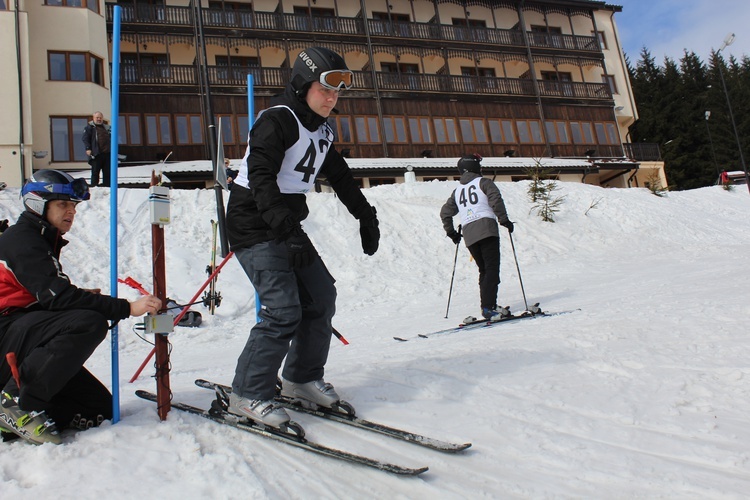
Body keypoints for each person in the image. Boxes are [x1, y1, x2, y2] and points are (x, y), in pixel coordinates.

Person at [225, 47, 380, 429]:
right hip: (254, 221)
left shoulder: (322, 129)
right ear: (302, 84)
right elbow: (261, 178)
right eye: (326, 88)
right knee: (282, 310)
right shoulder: (278, 120)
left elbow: (339, 175)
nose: (333, 98)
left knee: (321, 297)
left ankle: (300, 377)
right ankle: (247, 392)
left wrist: (366, 215)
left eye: (339, 91)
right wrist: (285, 230)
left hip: (285, 225)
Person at [0, 169, 161, 445]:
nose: (71, 212)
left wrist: (76, 297)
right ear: (38, 203)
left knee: (97, 409)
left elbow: (43, 294)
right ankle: (15, 403)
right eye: (63, 204)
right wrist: (126, 308)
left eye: (73, 206)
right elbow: (58, 298)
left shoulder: (38, 239)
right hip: (7, 335)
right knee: (87, 322)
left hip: (20, 332)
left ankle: (12, 423)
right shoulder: (22, 240)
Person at [440, 154, 514, 320]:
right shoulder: (484, 183)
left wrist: (451, 233)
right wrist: (504, 220)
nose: (481, 169)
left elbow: (445, 213)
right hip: (486, 229)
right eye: (479, 166)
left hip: (469, 234)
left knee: (484, 270)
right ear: (474, 168)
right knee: (492, 270)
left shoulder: (457, 191)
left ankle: (488, 305)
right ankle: (488, 308)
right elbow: (496, 200)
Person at [82, 111, 112, 187]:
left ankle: (107, 186)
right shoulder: (90, 128)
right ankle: (94, 187)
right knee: (95, 172)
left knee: (107, 172)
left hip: (107, 153)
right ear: (93, 118)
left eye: (100, 118)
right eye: (97, 117)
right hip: (96, 153)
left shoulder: (106, 128)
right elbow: (85, 139)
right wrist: (88, 148)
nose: (99, 119)